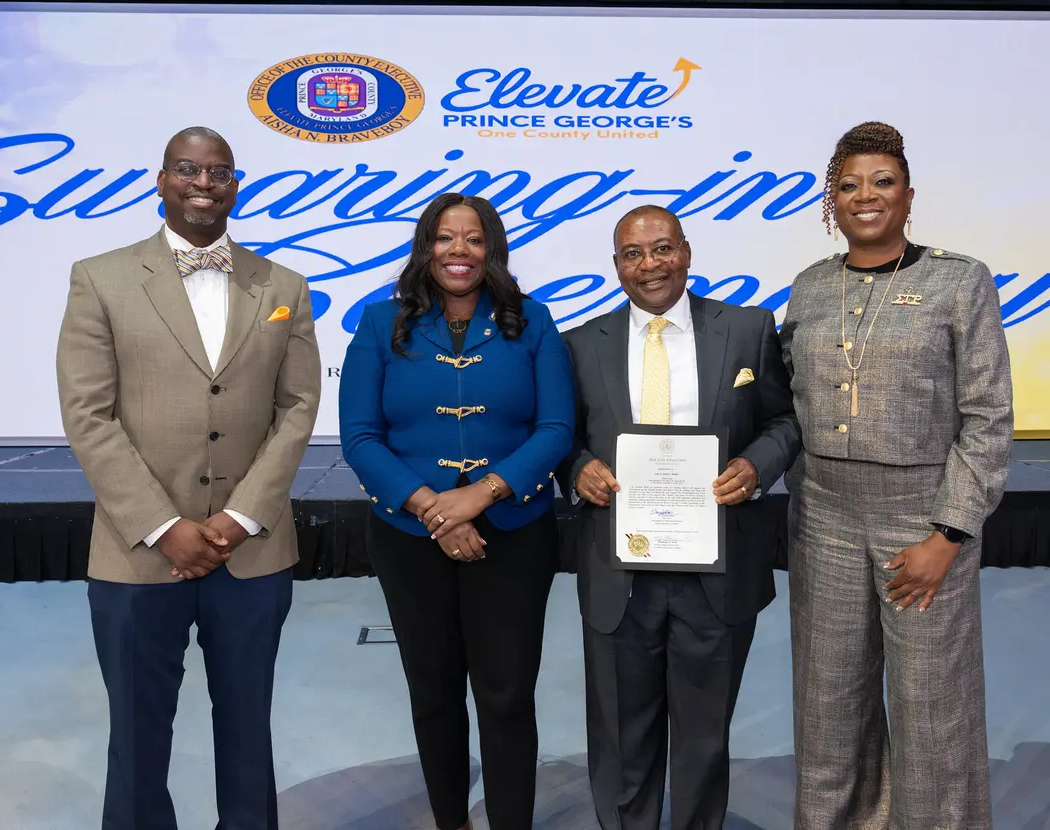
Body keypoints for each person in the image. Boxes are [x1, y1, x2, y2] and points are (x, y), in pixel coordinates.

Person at [56, 126, 321, 830]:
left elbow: (297, 409)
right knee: (137, 737)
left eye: (219, 172)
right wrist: (165, 527)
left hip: (253, 552)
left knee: (247, 729)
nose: (204, 183)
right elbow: (88, 415)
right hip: (137, 553)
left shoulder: (284, 285)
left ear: (236, 184)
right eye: (188, 169)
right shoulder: (99, 278)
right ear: (161, 180)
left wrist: (241, 517)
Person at [779, 121, 1014, 830]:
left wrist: (948, 533)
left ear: (909, 195)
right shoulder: (810, 287)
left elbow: (988, 417)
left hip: (922, 519)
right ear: (832, 200)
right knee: (829, 704)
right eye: (848, 185)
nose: (866, 196)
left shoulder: (958, 279)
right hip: (822, 517)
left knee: (930, 705)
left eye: (882, 182)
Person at [559, 205, 800, 830]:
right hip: (621, 569)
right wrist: (577, 468)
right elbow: (562, 436)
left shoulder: (748, 329)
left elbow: (783, 421)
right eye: (633, 254)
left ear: (687, 253)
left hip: (715, 571)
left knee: (704, 739)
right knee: (620, 738)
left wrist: (754, 466)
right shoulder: (582, 344)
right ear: (616, 266)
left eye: (662, 249)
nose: (650, 265)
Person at [338, 193, 574, 830]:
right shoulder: (379, 323)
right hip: (408, 539)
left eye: (474, 239)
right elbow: (359, 436)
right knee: (434, 696)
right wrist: (433, 511)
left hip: (514, 535)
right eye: (445, 238)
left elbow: (555, 428)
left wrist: (482, 494)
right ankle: (451, 821)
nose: (459, 251)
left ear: (492, 250)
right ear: (426, 248)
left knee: (505, 698)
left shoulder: (535, 320)